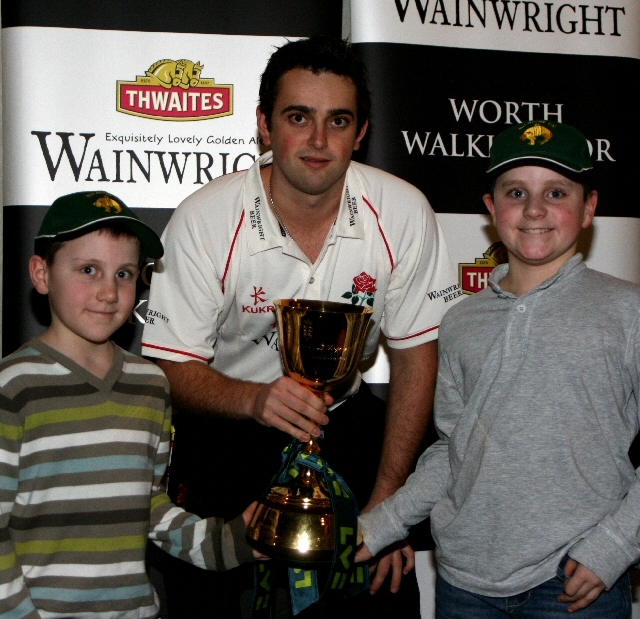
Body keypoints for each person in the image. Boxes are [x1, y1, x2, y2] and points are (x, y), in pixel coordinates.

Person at [142, 36, 459, 618]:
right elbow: (170, 366)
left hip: (348, 426)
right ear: (264, 126)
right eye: (298, 117)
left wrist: (387, 507)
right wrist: (255, 399)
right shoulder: (205, 217)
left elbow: (417, 358)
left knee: (381, 590)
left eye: (338, 120)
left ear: (360, 133)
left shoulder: (403, 210)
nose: (318, 141)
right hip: (226, 425)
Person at [357, 119, 640, 618]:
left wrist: (614, 546)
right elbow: (453, 448)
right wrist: (382, 523)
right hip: (464, 585)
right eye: (515, 192)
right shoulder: (462, 321)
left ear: (589, 206)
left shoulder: (627, 311)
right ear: (491, 209)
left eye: (556, 192)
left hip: (573, 585)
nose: (534, 210)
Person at [0, 191, 258, 619]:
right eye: (88, 270)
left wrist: (230, 541)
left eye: (124, 273)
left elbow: (148, 505)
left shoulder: (151, 385)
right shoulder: (14, 387)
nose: (109, 292)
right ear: (41, 274)